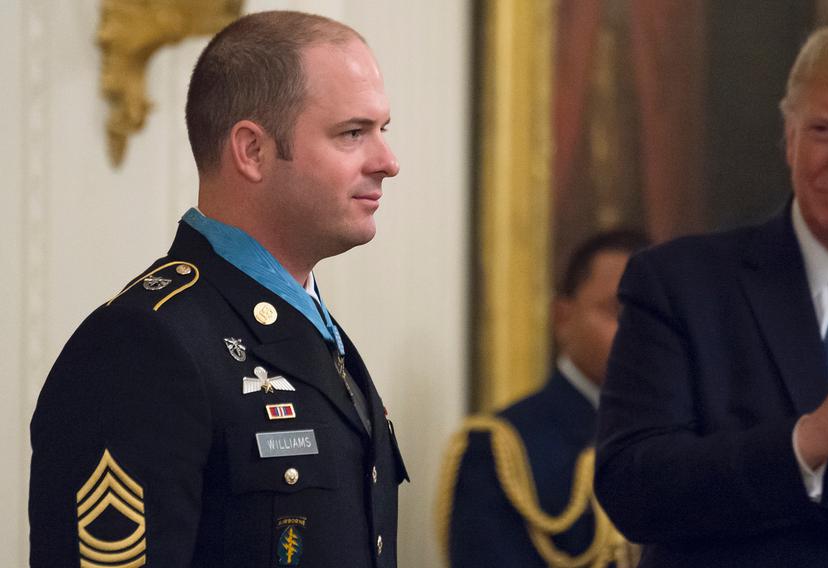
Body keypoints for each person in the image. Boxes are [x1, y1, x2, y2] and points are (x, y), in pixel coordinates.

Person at [29, 11, 408, 567]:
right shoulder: (141, 347)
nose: (388, 163)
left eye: (383, 130)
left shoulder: (311, 331)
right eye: (352, 133)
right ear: (252, 151)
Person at [595, 19, 828, 568]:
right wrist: (806, 441)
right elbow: (632, 488)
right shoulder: (679, 285)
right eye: (823, 130)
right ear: (788, 138)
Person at [442, 230, 649, 567]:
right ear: (563, 317)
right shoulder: (501, 449)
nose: (639, 334)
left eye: (653, 318)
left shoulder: (685, 436)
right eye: (618, 313)